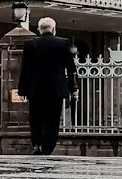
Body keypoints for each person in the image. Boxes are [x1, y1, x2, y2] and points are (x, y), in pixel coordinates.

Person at [16, 16, 78, 155]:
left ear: (39, 30)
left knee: (35, 118)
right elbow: (71, 68)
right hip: (56, 88)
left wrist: (23, 90)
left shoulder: (30, 44)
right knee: (53, 118)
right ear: (54, 29)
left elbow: (25, 69)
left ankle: (37, 144)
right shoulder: (63, 43)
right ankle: (47, 147)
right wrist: (73, 88)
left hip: (35, 88)